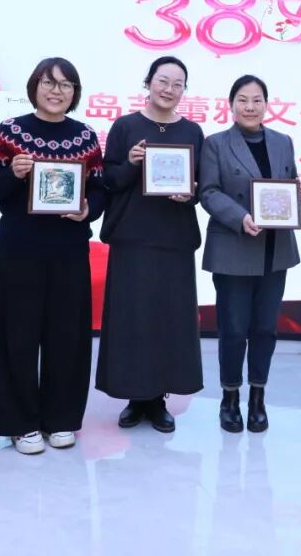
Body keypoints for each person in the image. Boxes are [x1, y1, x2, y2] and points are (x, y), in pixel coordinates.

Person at [0, 57, 106, 455]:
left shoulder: (85, 136)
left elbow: (99, 188)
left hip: (69, 249)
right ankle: (20, 424)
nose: (57, 91)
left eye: (66, 85)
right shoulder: (10, 131)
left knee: (68, 336)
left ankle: (61, 419)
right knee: (16, 336)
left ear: (75, 93)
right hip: (20, 248)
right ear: (34, 86)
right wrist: (13, 173)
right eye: (49, 82)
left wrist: (88, 209)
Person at [95, 56, 205, 432]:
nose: (169, 89)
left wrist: (190, 193)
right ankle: (134, 396)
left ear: (184, 90)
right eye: (162, 80)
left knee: (168, 320)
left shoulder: (192, 131)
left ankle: (158, 399)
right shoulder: (126, 126)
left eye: (177, 84)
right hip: (133, 236)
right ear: (148, 82)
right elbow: (109, 180)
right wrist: (130, 162)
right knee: (132, 319)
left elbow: (200, 186)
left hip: (174, 238)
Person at [199, 75, 301, 433]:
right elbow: (208, 192)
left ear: (266, 104)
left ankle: (258, 397)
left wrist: (297, 194)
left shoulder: (282, 141)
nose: (250, 107)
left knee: (265, 328)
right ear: (231, 105)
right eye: (243, 100)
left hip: (274, 251)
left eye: (257, 100)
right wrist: (240, 217)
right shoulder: (215, 144)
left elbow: (286, 188)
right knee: (233, 329)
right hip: (233, 248)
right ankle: (229, 397)